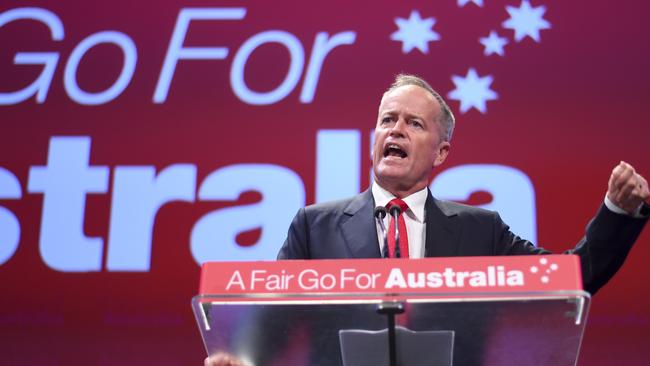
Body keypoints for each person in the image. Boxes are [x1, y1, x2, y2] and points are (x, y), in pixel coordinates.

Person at [206, 74, 649, 365]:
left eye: (413, 123)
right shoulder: (313, 225)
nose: (395, 130)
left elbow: (570, 279)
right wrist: (240, 360)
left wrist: (618, 212)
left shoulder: (480, 229)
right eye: (387, 120)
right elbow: (270, 327)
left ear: (441, 152)